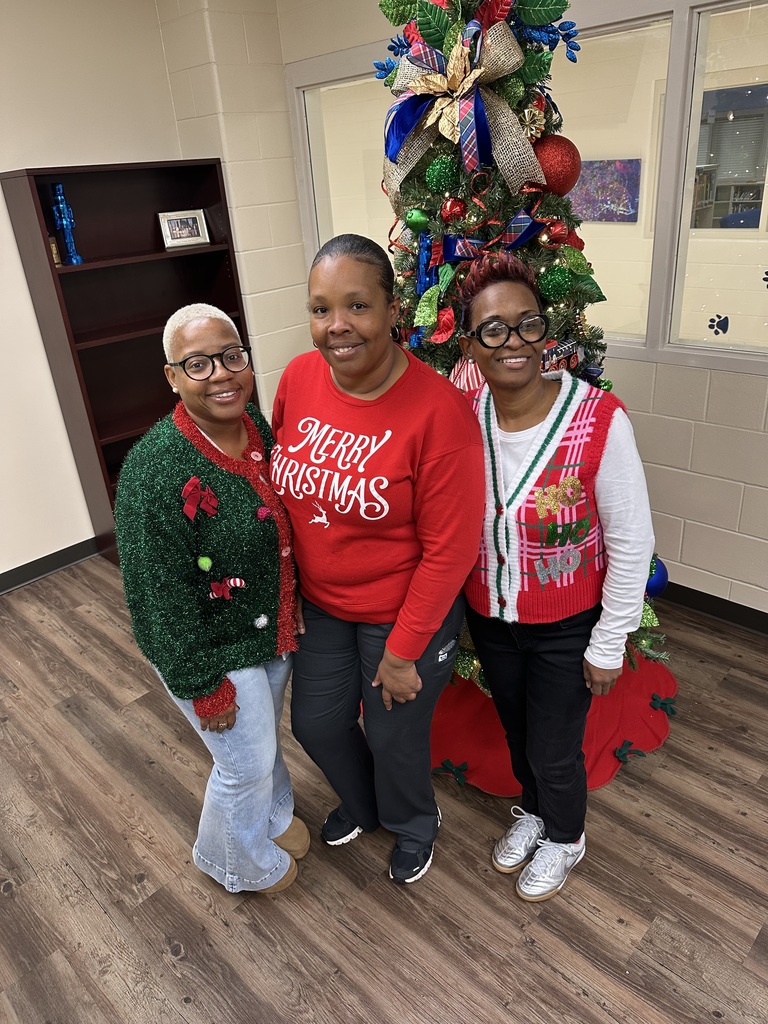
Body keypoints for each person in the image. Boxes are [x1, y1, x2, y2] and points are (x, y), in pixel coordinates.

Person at [271, 234, 485, 884]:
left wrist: (402, 650)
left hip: (403, 614)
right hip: (325, 607)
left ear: (393, 310)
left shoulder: (439, 413)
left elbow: (451, 551)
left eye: (357, 306)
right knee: (316, 723)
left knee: (394, 738)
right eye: (320, 309)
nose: (336, 327)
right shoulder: (298, 379)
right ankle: (363, 806)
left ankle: (415, 822)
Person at [457, 253, 654, 902]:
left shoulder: (599, 418)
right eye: (493, 329)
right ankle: (538, 815)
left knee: (554, 746)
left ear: (547, 334)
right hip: (492, 616)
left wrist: (607, 641)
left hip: (569, 624)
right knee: (517, 732)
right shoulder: (463, 418)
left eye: (527, 325)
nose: (512, 342)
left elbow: (631, 539)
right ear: (470, 344)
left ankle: (567, 837)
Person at [114, 303, 307, 895]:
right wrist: (203, 683)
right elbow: (157, 597)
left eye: (231, 356)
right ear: (172, 376)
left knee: (265, 743)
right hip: (208, 646)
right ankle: (229, 858)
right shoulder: (153, 471)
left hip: (265, 628)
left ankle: (272, 818)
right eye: (198, 364)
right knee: (243, 763)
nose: (221, 373)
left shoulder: (256, 427)